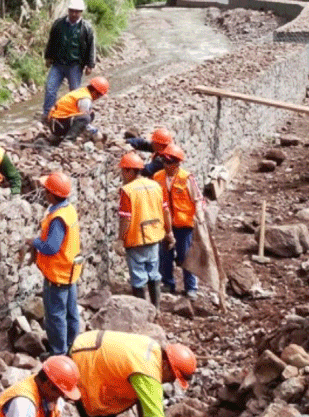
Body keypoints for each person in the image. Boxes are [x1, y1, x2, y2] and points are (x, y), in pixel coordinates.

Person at [69, 330, 197, 417]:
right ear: (167, 366)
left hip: (89, 343)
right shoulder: (148, 375)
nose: (170, 381)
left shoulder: (153, 349)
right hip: (84, 362)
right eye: (173, 377)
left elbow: (138, 385)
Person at [27, 172, 82, 357]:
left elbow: (51, 247)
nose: (44, 193)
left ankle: (58, 353)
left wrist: (34, 242)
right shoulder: (69, 210)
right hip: (70, 271)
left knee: (55, 315)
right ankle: (71, 346)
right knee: (71, 312)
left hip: (57, 274)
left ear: (51, 194)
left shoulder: (58, 218)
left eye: (46, 190)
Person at [118, 153, 173, 308]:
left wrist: (120, 239)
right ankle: (156, 308)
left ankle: (142, 312)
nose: (122, 174)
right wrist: (168, 233)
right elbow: (166, 211)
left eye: (123, 171)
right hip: (154, 236)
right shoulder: (155, 185)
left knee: (138, 277)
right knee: (154, 273)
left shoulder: (127, 190)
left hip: (136, 238)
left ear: (130, 171)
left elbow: (126, 218)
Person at [153, 144, 204, 298]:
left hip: (184, 225)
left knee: (186, 256)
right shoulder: (158, 177)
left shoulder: (187, 178)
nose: (166, 165)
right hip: (165, 224)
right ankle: (168, 283)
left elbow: (198, 199)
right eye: (164, 162)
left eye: (169, 162)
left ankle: (191, 287)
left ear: (177, 164)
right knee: (165, 255)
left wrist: (200, 215)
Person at [41, 0, 96, 121]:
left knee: (75, 92)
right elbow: (52, 41)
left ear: (81, 12)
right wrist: (48, 57)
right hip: (58, 64)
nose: (74, 14)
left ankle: (75, 114)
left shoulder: (86, 27)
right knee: (50, 87)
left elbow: (91, 46)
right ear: (68, 10)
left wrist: (90, 64)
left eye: (77, 11)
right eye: (72, 11)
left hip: (75, 65)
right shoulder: (58, 24)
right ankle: (47, 113)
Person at [47, 76, 109, 146]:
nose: (98, 98)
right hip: (57, 125)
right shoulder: (85, 99)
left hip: (56, 122)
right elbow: (84, 120)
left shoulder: (83, 91)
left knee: (91, 114)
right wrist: (95, 132)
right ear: (95, 92)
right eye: (99, 95)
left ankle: (60, 136)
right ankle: (67, 140)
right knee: (86, 118)